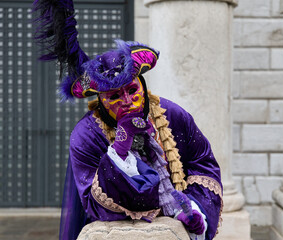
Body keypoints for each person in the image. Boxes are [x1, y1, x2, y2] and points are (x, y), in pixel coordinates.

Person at [33, 1, 223, 240]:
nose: (126, 100)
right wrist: (121, 147)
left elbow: (202, 161)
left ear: (142, 86)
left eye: (132, 90)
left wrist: (196, 209)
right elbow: (93, 202)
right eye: (114, 96)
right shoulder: (86, 135)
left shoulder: (173, 115)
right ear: (101, 100)